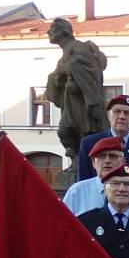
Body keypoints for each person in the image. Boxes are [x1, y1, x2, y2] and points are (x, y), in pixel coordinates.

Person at [45, 18, 108, 168]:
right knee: (66, 132)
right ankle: (77, 162)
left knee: (79, 133)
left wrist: (71, 69)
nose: (48, 32)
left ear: (63, 31)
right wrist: (56, 76)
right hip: (70, 101)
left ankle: (82, 163)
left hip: (82, 101)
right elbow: (58, 77)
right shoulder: (66, 52)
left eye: (53, 29)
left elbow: (91, 72)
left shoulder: (77, 48)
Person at [77, 94, 129, 196]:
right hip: (96, 206)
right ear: (109, 115)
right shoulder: (89, 144)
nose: (122, 116)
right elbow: (83, 182)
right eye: (117, 111)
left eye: (127, 113)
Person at [63, 136, 129, 216]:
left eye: (113, 156)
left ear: (123, 162)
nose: (107, 161)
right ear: (93, 162)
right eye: (101, 156)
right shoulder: (77, 192)